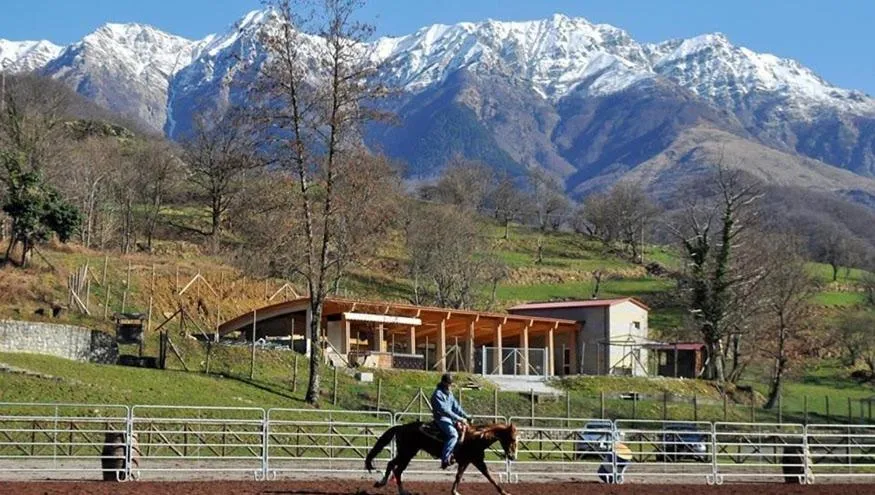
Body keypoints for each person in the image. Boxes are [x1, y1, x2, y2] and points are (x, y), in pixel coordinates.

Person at [430, 373, 471, 469]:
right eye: (449, 383)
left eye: (451, 384)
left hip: (451, 419)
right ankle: (445, 458)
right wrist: (460, 418)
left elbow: (456, 407)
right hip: (441, 419)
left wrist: (466, 416)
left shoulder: (449, 394)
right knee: (453, 434)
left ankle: (457, 454)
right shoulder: (437, 394)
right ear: (443, 383)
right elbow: (445, 410)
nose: (450, 386)